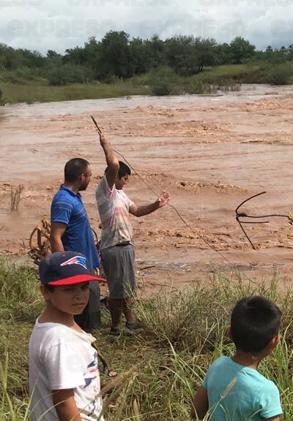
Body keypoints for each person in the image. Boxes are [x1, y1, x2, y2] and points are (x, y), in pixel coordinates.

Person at [95, 132, 169, 335]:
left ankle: (129, 324)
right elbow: (114, 165)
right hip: (113, 247)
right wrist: (106, 144)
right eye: (124, 179)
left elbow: (137, 211)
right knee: (118, 290)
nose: (126, 182)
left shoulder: (121, 194)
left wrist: (156, 204)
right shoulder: (105, 190)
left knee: (127, 288)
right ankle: (115, 328)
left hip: (125, 245)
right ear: (115, 178)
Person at [28, 251, 105, 421]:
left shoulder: (58, 323)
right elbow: (63, 402)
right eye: (68, 289)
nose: (80, 296)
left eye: (84, 287)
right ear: (45, 291)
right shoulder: (60, 340)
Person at [192, 296, 283, 421]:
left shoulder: (217, 366)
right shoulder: (266, 390)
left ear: (229, 332)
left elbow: (196, 412)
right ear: (275, 341)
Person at [50, 157, 101, 332]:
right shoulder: (63, 200)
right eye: (90, 176)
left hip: (85, 265)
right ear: (81, 177)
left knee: (91, 314)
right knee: (81, 319)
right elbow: (56, 237)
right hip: (75, 268)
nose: (90, 179)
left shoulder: (74, 197)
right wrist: (65, 271)